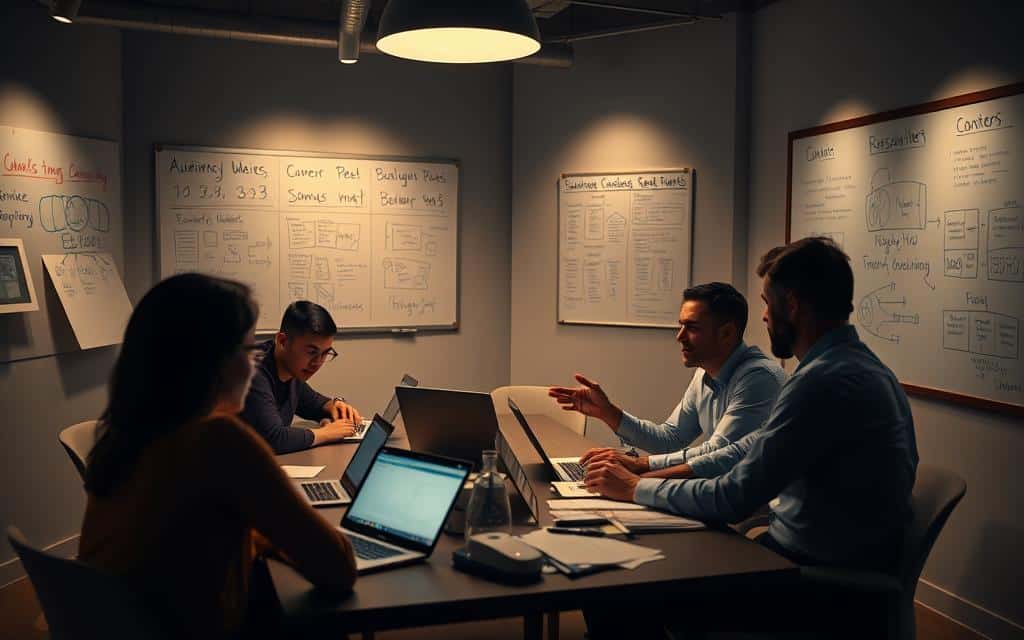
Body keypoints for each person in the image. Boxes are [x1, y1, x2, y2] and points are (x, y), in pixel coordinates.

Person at [586, 237, 919, 573]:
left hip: (816, 578)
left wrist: (637, 487)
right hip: (811, 556)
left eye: (766, 302)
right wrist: (643, 473)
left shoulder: (821, 382)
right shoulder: (861, 367)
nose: (763, 317)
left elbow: (734, 497)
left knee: (627, 578)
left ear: (790, 305)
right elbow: (740, 450)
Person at [78, 274, 357, 639]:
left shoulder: (124, 432)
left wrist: (259, 535)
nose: (255, 362)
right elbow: (337, 567)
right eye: (247, 350)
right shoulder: (219, 439)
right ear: (209, 361)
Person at [549, 282, 785, 477]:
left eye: (691, 327)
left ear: (727, 333)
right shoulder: (704, 372)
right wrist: (607, 412)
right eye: (680, 325)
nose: (679, 337)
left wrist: (641, 465)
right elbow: (670, 438)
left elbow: (719, 452)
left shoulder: (759, 378)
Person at [240, 301, 364, 454]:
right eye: (311, 352)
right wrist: (327, 433)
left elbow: (313, 404)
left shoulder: (292, 372)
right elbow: (273, 438)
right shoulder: (253, 372)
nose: (317, 362)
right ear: (283, 341)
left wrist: (336, 406)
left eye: (325, 353)